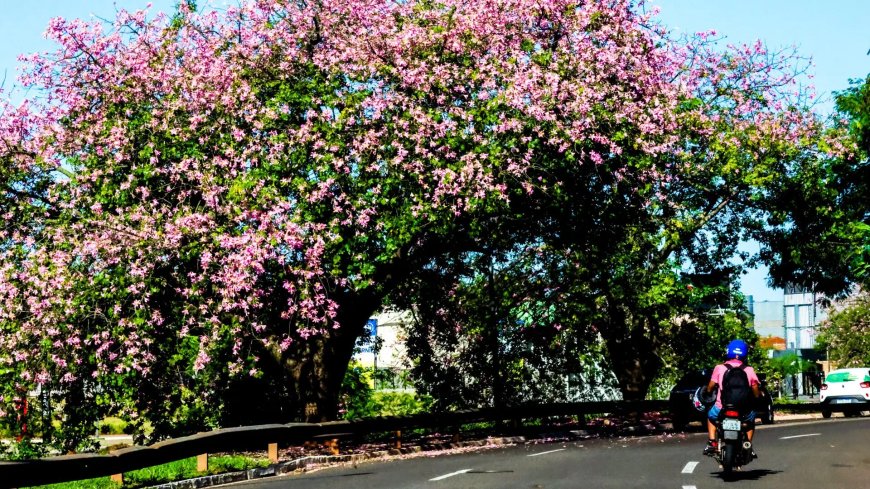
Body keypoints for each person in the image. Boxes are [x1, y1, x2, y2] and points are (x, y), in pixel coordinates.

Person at [702, 339, 761, 456]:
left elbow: (710, 387)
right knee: (750, 420)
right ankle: (748, 444)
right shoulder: (749, 370)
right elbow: (755, 391)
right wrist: (757, 396)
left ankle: (712, 442)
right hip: (743, 410)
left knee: (710, 416)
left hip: (722, 408)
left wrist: (708, 391)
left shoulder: (719, 368)